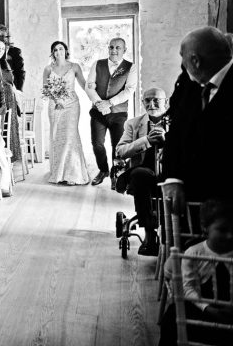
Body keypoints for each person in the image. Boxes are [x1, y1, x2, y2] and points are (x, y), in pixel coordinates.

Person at [161, 26, 233, 212]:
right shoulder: (189, 86)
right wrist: (173, 177)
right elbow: (176, 131)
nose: (182, 66)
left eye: (182, 57)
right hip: (188, 195)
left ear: (195, 60)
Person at [159, 199, 233, 346]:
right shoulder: (194, 253)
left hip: (229, 310)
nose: (230, 236)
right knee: (172, 315)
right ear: (205, 228)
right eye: (223, 230)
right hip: (201, 306)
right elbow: (187, 287)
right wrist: (207, 308)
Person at [114, 87, 168, 256]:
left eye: (156, 100)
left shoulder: (177, 121)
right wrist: (146, 141)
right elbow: (120, 151)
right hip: (143, 172)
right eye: (147, 101)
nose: (151, 104)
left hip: (169, 172)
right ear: (143, 102)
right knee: (140, 175)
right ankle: (149, 235)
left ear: (166, 102)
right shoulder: (133, 123)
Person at [85, 37, 137, 186]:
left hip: (119, 114)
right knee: (97, 144)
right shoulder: (98, 64)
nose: (114, 50)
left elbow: (129, 90)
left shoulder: (130, 67)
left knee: (117, 145)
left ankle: (117, 175)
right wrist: (99, 103)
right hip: (98, 112)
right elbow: (89, 86)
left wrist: (110, 103)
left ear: (124, 50)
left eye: (117, 48)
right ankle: (103, 170)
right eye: (111, 47)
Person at [43, 41, 91, 185]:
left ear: (66, 50)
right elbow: (45, 89)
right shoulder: (48, 69)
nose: (58, 52)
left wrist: (95, 96)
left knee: (70, 135)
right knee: (57, 136)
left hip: (71, 105)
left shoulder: (74, 67)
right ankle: (59, 172)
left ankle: (73, 173)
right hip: (55, 105)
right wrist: (56, 100)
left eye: (61, 49)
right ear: (52, 53)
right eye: (55, 50)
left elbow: (84, 84)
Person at [0, 38, 22, 163]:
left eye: (2, 48)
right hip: (0, 100)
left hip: (11, 99)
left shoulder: (5, 63)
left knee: (11, 129)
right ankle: (1, 160)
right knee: (1, 130)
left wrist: (17, 98)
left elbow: (12, 83)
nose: (0, 50)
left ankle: (10, 159)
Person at [0, 24, 25, 91]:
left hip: (11, 86)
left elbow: (20, 72)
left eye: (1, 36)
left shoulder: (15, 51)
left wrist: (19, 90)